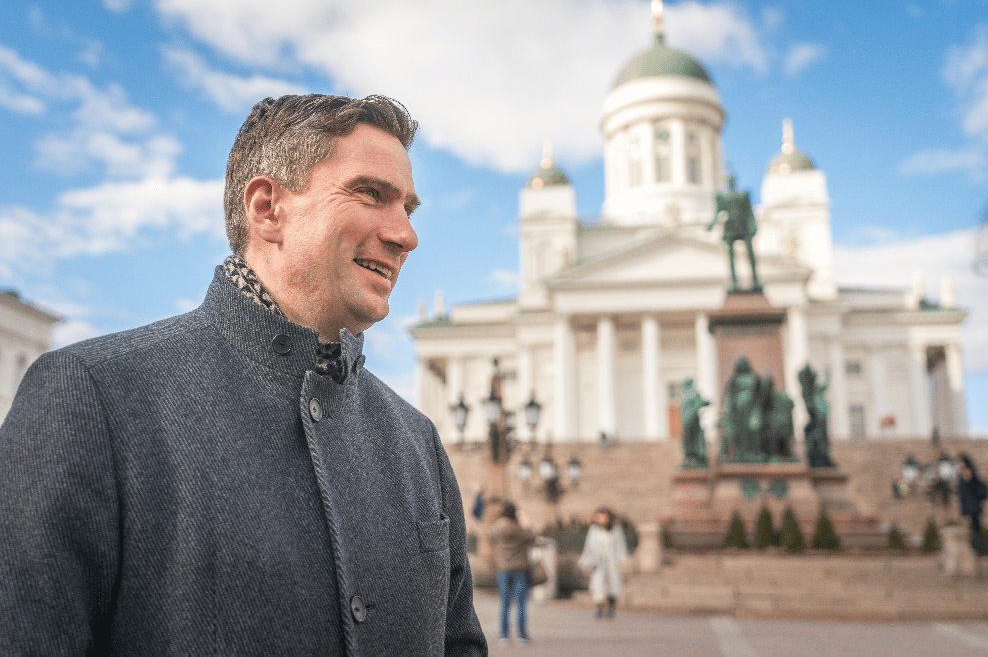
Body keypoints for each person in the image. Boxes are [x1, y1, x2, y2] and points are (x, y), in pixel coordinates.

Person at [0, 94, 487, 656]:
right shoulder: (92, 397)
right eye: (371, 195)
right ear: (267, 209)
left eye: (408, 208)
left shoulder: (416, 440)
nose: (406, 235)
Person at [489, 502, 536, 643]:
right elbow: (532, 537)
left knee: (504, 604)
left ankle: (504, 635)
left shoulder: (498, 528)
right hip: (520, 570)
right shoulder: (519, 529)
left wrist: (499, 522)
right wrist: (525, 523)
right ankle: (521, 635)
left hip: (503, 570)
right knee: (521, 604)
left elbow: (490, 537)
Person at [579, 507, 629, 619]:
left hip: (612, 562)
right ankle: (600, 608)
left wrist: (623, 561)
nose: (601, 519)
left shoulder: (615, 530)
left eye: (603, 517)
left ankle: (611, 608)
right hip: (598, 562)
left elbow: (620, 546)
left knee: (613, 586)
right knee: (598, 586)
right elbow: (589, 547)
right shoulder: (593, 530)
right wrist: (587, 561)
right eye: (599, 517)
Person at [957, 453, 988, 535]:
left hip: (972, 504)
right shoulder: (966, 471)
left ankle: (978, 538)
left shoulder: (967, 471)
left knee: (975, 527)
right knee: (974, 525)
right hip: (970, 504)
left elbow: (971, 485)